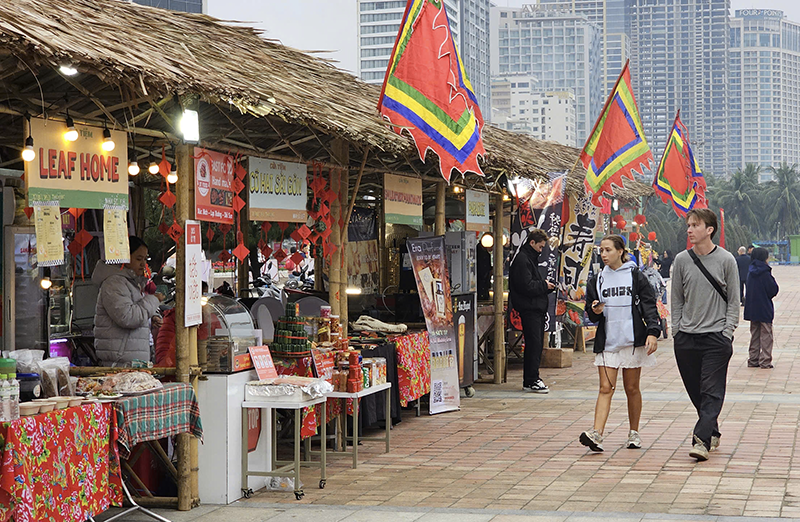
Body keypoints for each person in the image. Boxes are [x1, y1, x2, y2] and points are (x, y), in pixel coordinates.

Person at [581, 235, 660, 452]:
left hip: (632, 340)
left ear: (620, 251)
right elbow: (591, 311)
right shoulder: (597, 279)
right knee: (606, 387)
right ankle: (596, 434)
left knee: (632, 388)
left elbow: (649, 305)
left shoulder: (635, 276)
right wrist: (594, 310)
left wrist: (653, 332)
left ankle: (634, 433)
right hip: (607, 341)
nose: (604, 255)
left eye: (608, 250)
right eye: (601, 251)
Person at [671, 208, 739, 462]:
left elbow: (734, 300)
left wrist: (727, 331)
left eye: (695, 225)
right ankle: (712, 429)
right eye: (688, 225)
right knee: (696, 391)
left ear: (709, 229)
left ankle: (700, 441)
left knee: (711, 390)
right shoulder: (681, 260)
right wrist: (676, 330)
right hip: (686, 338)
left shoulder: (726, 260)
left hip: (716, 338)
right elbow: (676, 299)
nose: (689, 229)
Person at [93, 236, 164, 366]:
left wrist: (151, 317)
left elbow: (137, 307)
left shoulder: (131, 282)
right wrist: (154, 300)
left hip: (129, 360)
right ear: (124, 258)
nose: (143, 264)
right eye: (138, 259)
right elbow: (128, 317)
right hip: (119, 362)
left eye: (145, 259)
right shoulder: (114, 283)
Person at [509, 229, 556, 393]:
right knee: (533, 344)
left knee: (535, 344)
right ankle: (531, 379)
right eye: (540, 247)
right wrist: (544, 285)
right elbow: (526, 286)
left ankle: (532, 378)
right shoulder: (523, 259)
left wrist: (544, 286)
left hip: (534, 307)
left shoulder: (528, 258)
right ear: (532, 243)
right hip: (529, 308)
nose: (541, 250)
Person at [744, 248, 779, 369]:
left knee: (755, 334)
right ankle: (765, 360)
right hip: (764, 307)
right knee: (766, 335)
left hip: (752, 307)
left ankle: (753, 359)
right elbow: (773, 289)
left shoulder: (750, 271)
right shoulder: (764, 272)